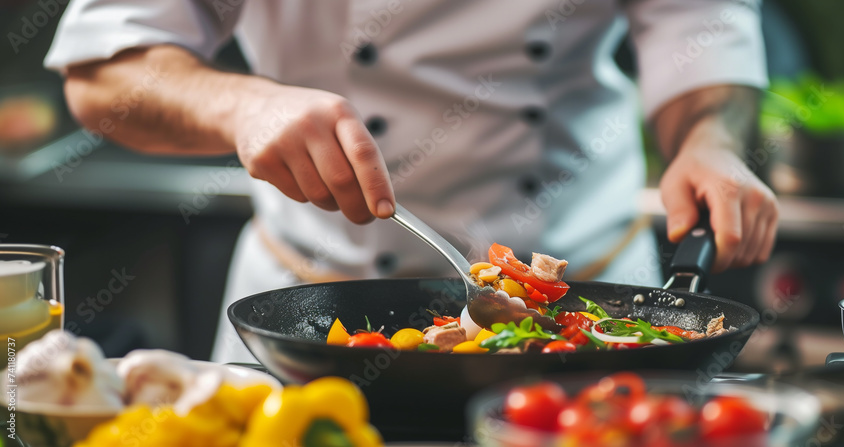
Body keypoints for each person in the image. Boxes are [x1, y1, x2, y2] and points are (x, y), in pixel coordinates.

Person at [45, 0, 778, 363]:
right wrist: (242, 103)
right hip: (306, 311)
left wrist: (707, 140)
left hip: (589, 297)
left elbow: (696, 21)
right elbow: (102, 71)